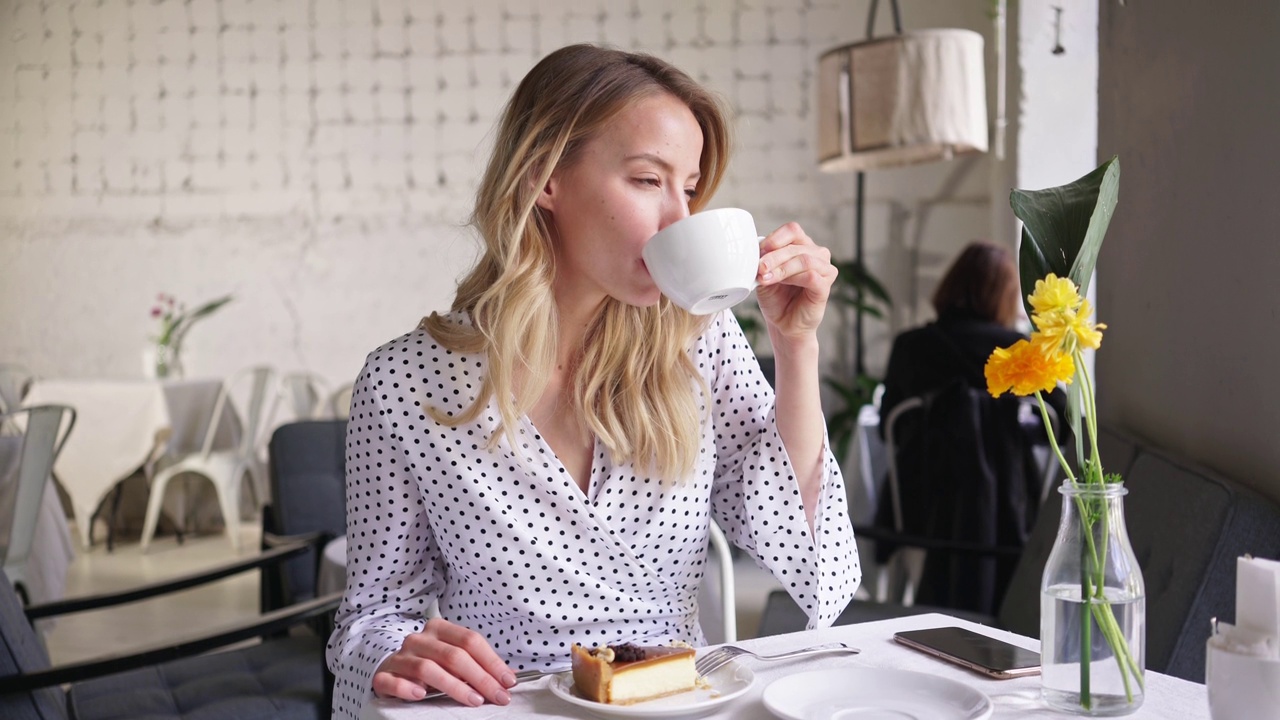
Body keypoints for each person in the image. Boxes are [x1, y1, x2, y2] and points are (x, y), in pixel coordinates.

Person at [326, 43, 861, 718]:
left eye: (689, 188)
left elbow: (811, 560)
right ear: (545, 176)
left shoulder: (700, 341)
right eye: (647, 181)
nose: (679, 218)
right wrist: (394, 654)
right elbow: (372, 616)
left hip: (681, 706)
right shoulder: (404, 383)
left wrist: (796, 345)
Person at [876, 241, 1065, 614]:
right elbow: (1059, 426)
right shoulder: (1018, 350)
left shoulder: (911, 346)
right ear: (1006, 296)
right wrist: (1008, 431)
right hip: (1006, 515)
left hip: (921, 509)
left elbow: (888, 428)